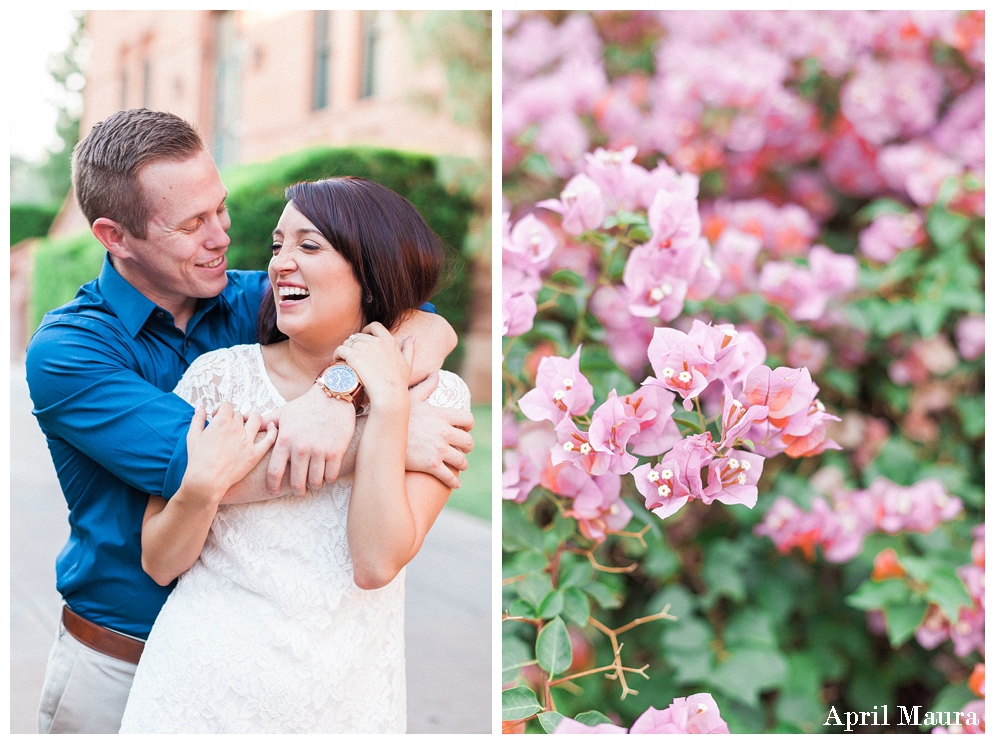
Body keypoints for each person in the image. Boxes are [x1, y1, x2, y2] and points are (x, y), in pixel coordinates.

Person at [25, 109, 473, 734]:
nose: (221, 236)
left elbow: (404, 309)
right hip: (120, 661)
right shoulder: (70, 352)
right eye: (190, 224)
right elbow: (210, 472)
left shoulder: (249, 300)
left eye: (220, 208)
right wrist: (388, 438)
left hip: (300, 672)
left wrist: (337, 392)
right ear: (114, 236)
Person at [118, 177, 470, 733]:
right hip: (193, 696)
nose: (280, 263)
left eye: (309, 245)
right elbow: (159, 562)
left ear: (372, 268)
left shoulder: (435, 398)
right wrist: (203, 487)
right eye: (278, 245)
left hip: (343, 705)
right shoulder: (218, 378)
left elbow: (376, 564)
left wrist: (388, 412)